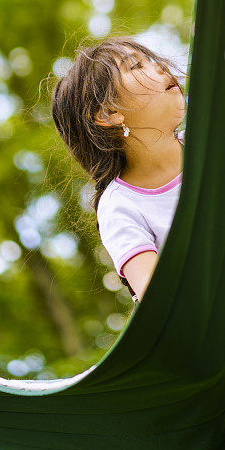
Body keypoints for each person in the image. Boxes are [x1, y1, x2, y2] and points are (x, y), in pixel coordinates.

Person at [50, 34, 187, 304]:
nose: (160, 66)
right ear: (109, 113)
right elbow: (157, 302)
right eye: (136, 66)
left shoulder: (214, 140)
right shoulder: (120, 206)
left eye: (152, 59)